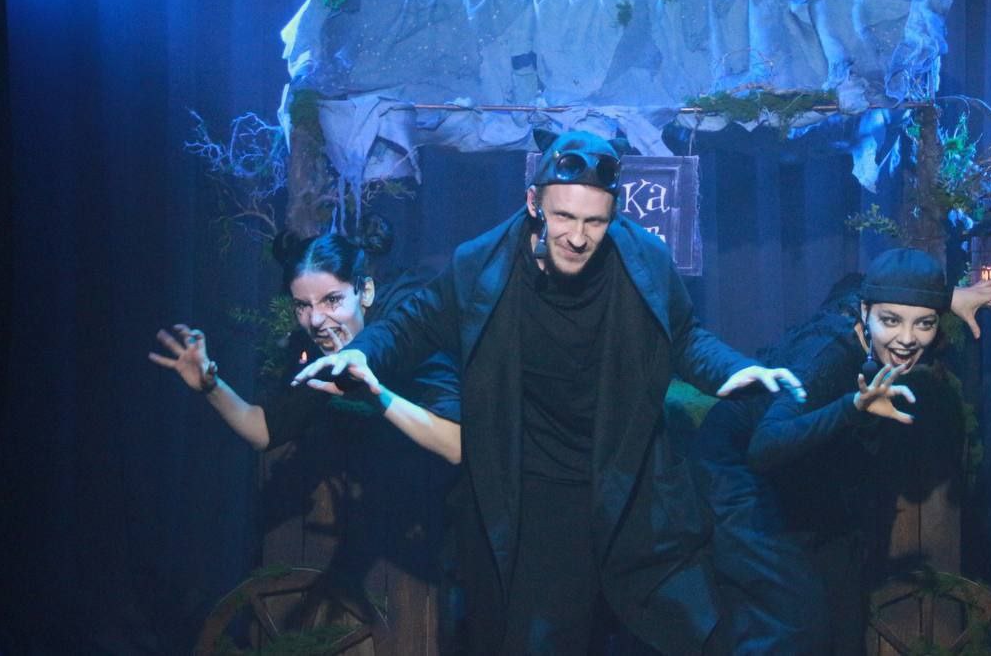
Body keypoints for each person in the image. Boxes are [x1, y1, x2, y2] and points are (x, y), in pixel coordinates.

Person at [295, 130, 806, 655]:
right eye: (564, 217)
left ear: (613, 216)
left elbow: (685, 337)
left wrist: (732, 371)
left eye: (594, 222)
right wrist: (364, 352)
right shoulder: (482, 264)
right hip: (535, 499)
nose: (578, 237)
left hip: (628, 484)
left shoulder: (644, 260)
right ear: (533, 203)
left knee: (688, 630)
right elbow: (412, 325)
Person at [694, 248, 991, 654]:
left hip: (801, 462)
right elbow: (764, 447)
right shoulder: (828, 356)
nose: (907, 339)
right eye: (891, 321)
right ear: (865, 313)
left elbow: (856, 285)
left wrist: (947, 297)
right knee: (798, 620)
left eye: (924, 323)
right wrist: (852, 408)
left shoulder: (866, 305)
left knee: (844, 607)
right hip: (736, 464)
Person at [148, 227, 461, 463]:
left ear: (365, 292)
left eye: (332, 300)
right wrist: (211, 386)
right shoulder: (323, 346)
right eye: (302, 306)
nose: (315, 320)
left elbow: (456, 444)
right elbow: (265, 430)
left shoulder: (408, 325)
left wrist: (374, 395)